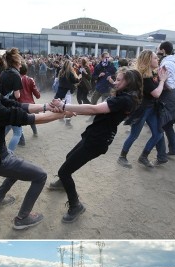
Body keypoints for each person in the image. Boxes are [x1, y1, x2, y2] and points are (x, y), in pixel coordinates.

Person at [0, 52, 69, 230]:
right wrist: (61, 114)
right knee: (40, 176)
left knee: (17, 171)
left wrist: (45, 106)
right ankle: (22, 218)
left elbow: (15, 105)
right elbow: (21, 117)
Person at [47, 67, 142, 222]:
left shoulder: (125, 99)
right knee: (69, 157)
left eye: (119, 80)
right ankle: (63, 183)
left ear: (129, 82)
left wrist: (64, 106)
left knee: (64, 171)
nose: (115, 82)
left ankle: (75, 206)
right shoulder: (126, 96)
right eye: (115, 79)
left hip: (97, 141)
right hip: (95, 135)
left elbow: (93, 108)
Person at [116, 50, 168, 168]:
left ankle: (144, 156)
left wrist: (160, 79)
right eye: (155, 58)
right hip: (142, 109)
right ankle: (122, 156)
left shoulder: (150, 75)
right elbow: (156, 94)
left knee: (158, 133)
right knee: (134, 135)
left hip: (151, 108)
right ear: (148, 60)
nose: (158, 60)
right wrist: (162, 80)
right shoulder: (144, 76)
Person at [154, 41, 175, 163]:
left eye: (158, 49)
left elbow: (167, 83)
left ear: (163, 50)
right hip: (173, 95)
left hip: (167, 97)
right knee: (167, 125)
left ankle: (162, 156)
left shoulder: (167, 63)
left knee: (159, 126)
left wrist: (158, 85)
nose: (157, 52)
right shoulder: (172, 61)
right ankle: (173, 149)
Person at [0, 48, 26, 151]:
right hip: (12, 105)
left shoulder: (4, 72)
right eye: (20, 62)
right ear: (15, 62)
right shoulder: (16, 75)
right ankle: (9, 154)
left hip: (3, 104)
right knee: (17, 133)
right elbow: (17, 95)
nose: (21, 65)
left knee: (6, 128)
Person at [18, 62, 40, 136]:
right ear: (26, 70)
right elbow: (36, 93)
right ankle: (35, 132)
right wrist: (38, 95)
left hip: (19, 103)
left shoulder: (15, 79)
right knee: (31, 120)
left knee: (18, 122)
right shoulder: (30, 79)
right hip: (30, 104)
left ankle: (21, 139)